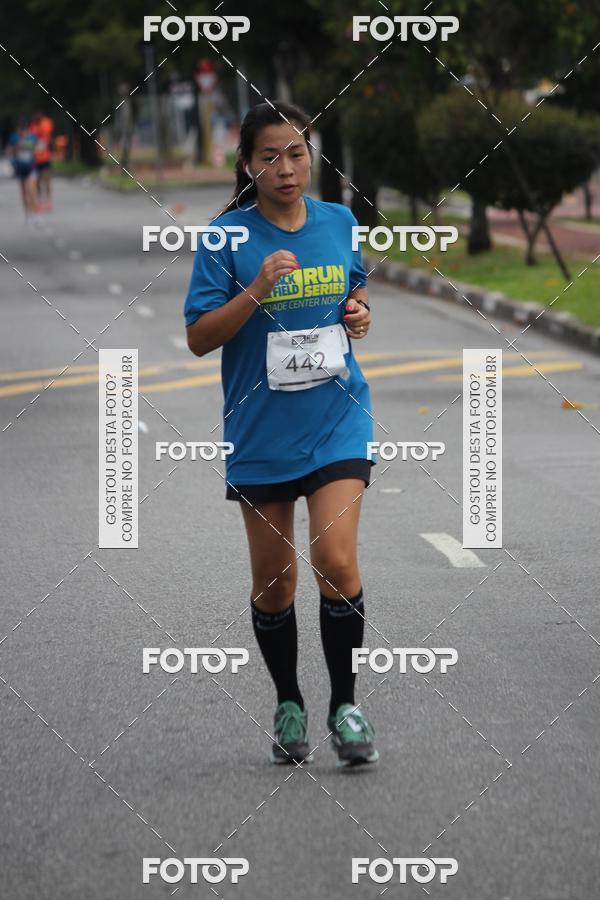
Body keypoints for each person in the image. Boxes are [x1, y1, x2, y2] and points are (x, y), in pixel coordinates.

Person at [184, 101, 378, 768]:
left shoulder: (340, 222)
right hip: (261, 429)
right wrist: (257, 289)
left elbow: (352, 297)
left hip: (336, 418)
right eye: (270, 155)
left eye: (296, 153)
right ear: (248, 164)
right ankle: (289, 700)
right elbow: (199, 338)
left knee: (338, 562)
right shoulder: (225, 240)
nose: (286, 167)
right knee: (275, 582)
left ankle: (344, 707)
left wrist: (358, 313)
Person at [6, 121, 38, 223]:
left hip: (31, 168)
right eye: (21, 131)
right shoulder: (14, 138)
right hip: (20, 168)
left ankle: (35, 214)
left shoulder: (32, 137)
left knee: (31, 191)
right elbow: (8, 151)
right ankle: (27, 215)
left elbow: (36, 149)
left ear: (27, 130)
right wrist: (16, 147)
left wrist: (30, 147)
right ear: (18, 130)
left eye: (24, 131)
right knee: (24, 193)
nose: (22, 133)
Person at [29, 111, 54, 211]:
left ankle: (48, 201)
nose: (36, 116)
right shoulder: (32, 126)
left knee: (47, 179)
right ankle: (39, 201)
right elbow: (31, 140)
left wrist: (52, 152)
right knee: (38, 181)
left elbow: (50, 138)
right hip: (36, 158)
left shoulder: (47, 123)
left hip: (46, 157)